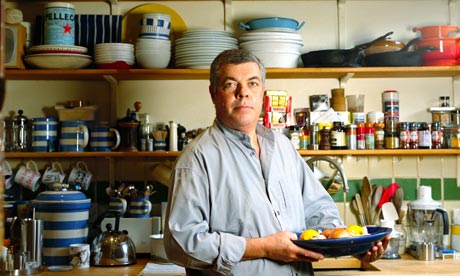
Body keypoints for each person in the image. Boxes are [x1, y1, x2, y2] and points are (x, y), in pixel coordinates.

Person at [164, 49, 389, 276]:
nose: (243, 93)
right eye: (230, 84)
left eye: (252, 83)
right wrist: (263, 248)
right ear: (213, 94)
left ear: (262, 91)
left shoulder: (282, 147)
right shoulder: (196, 159)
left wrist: (353, 245)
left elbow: (318, 210)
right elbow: (182, 245)